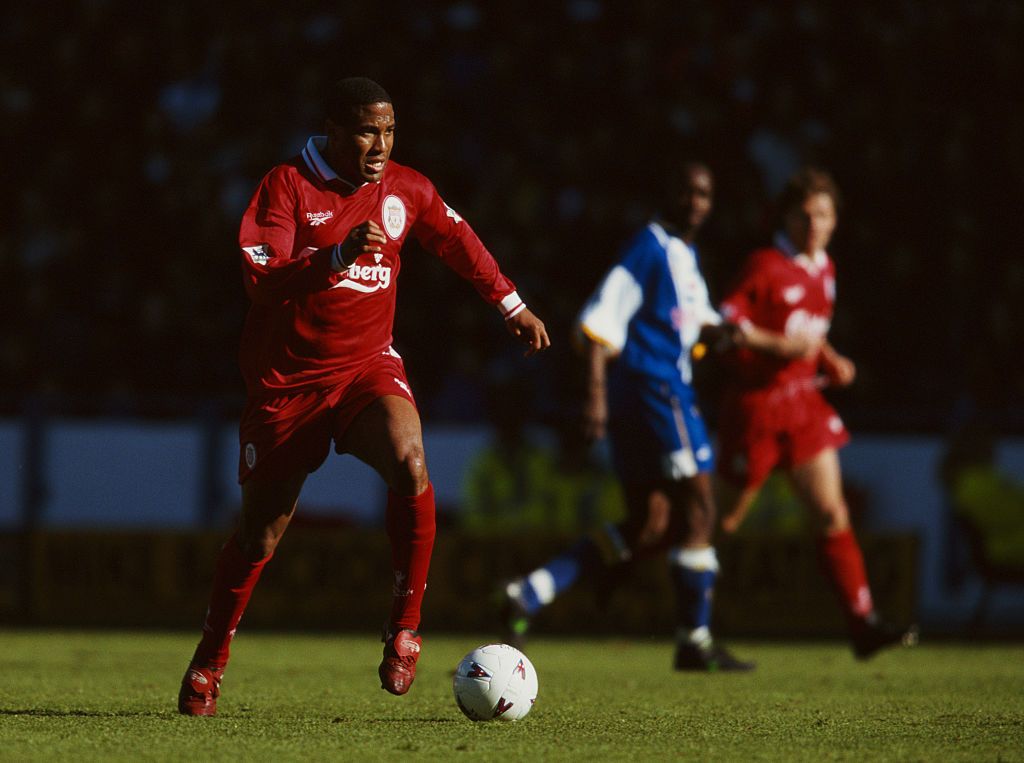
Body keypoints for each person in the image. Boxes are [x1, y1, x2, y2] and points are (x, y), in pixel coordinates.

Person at [177, 77, 550, 716]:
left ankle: (405, 629)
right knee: (260, 536)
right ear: (332, 127)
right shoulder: (286, 187)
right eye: (366, 131)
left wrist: (509, 301)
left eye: (389, 130)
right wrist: (336, 256)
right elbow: (262, 280)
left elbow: (455, 238)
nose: (380, 145)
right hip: (287, 386)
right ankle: (211, 656)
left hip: (366, 368)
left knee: (410, 460)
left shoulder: (405, 186)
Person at [502, 162, 753, 671]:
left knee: (648, 521)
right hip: (656, 391)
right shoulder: (649, 248)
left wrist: (721, 335)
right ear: (667, 193)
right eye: (686, 189)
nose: (696, 201)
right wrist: (594, 395)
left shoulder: (682, 255)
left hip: (643, 394)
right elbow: (600, 318)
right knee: (700, 505)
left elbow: (695, 323)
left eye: (704, 193)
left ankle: (533, 591)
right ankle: (694, 641)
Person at [715, 166, 917, 659]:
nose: (813, 224)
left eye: (823, 214)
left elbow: (814, 334)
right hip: (757, 409)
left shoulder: (824, 269)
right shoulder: (764, 265)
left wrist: (831, 360)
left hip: (803, 405)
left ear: (834, 220)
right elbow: (725, 322)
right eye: (804, 214)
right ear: (785, 216)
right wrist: (776, 344)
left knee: (831, 512)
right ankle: (688, 622)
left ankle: (863, 623)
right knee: (720, 524)